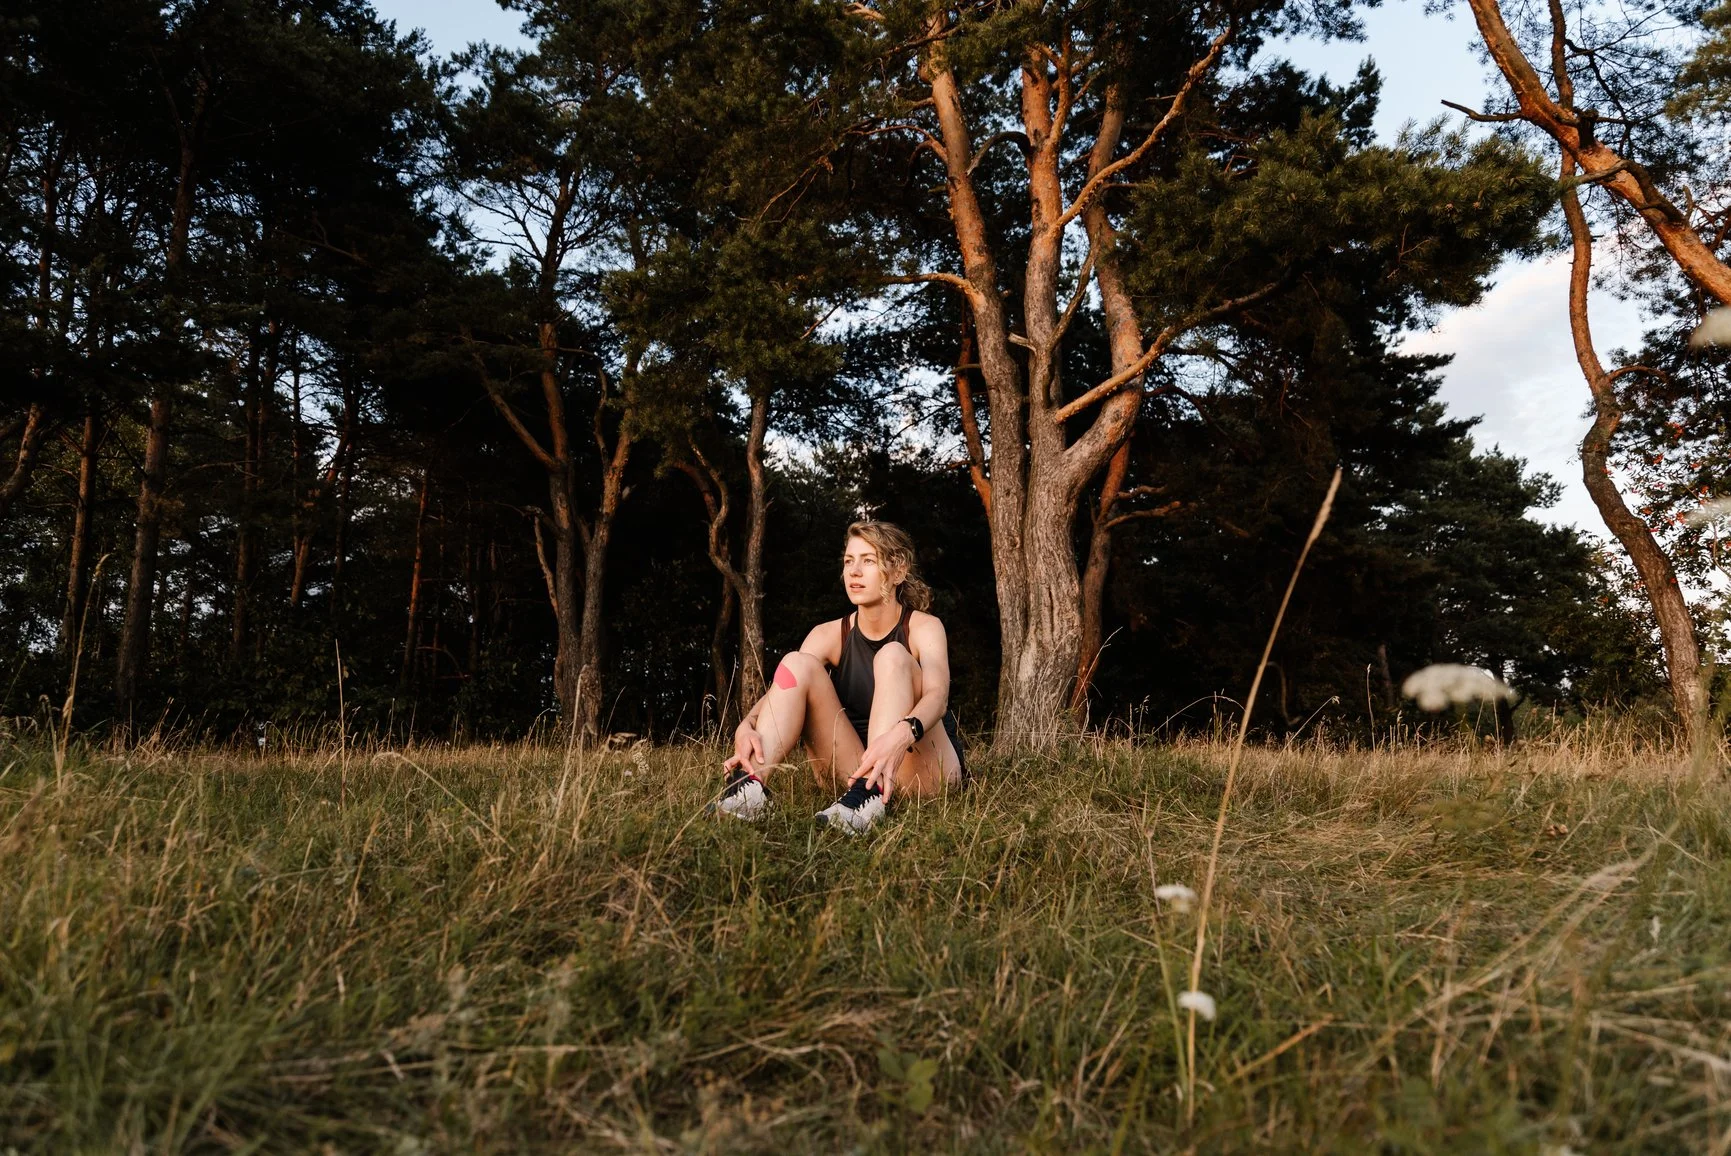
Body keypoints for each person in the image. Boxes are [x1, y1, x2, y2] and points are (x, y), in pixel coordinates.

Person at [715, 520, 966, 833]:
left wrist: (901, 735)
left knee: (892, 655)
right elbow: (782, 691)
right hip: (854, 772)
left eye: (868, 561)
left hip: (921, 771)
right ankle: (749, 788)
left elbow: (938, 696)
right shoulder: (828, 634)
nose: (854, 572)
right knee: (797, 662)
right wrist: (747, 724)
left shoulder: (925, 627)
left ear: (899, 571)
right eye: (849, 561)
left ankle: (869, 796)